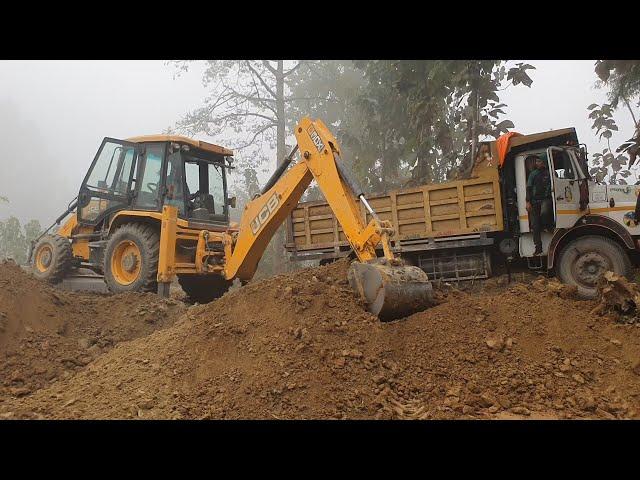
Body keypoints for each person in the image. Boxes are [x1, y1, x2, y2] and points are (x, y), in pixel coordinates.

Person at [526, 155, 553, 256]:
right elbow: (528, 188)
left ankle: (547, 226)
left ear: (544, 162)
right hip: (534, 201)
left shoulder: (550, 173)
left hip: (546, 199)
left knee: (545, 212)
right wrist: (528, 201)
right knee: (535, 226)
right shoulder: (533, 174)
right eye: (536, 161)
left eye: (539, 161)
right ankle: (538, 248)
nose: (537, 163)